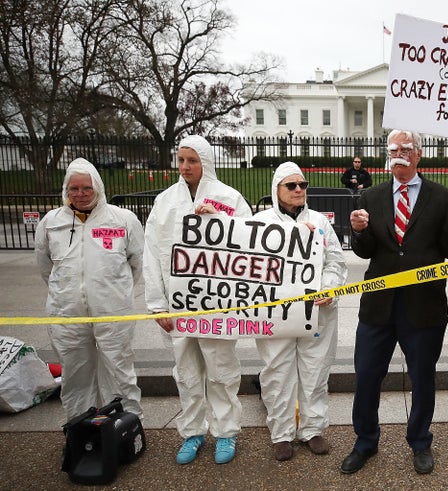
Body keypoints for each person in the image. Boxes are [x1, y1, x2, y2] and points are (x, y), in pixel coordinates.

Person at [340, 129, 448, 475]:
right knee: (366, 375)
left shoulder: (441, 196)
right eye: (393, 148)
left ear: (418, 155)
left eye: (406, 148)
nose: (399, 153)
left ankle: (420, 441)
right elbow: (365, 251)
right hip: (378, 305)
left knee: (423, 378)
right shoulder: (371, 196)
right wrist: (359, 231)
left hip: (423, 306)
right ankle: (365, 441)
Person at [143, 135, 253, 465]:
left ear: (205, 161)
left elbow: (249, 244)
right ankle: (192, 431)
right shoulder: (165, 202)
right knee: (187, 372)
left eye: (192, 160)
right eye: (181, 160)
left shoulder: (228, 198)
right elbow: (151, 253)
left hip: (217, 304)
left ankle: (225, 433)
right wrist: (157, 304)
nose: (186, 166)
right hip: (178, 306)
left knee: (221, 371)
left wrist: (218, 220)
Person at [35, 158, 144, 422]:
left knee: (119, 370)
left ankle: (125, 426)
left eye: (87, 188)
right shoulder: (51, 223)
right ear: (66, 190)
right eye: (74, 189)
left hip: (113, 311)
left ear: (98, 187)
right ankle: (80, 426)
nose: (81, 194)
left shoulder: (123, 220)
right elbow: (46, 268)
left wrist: (111, 291)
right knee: (75, 373)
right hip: (67, 313)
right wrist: (67, 292)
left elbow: (137, 264)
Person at [254, 162, 348, 461]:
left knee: (315, 370)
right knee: (277, 372)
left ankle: (313, 429)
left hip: (317, 312)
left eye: (302, 185)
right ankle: (281, 434)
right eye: (291, 186)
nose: (298, 190)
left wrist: (329, 287)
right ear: (277, 189)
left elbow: (335, 261)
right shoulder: (260, 221)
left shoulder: (321, 222)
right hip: (276, 313)